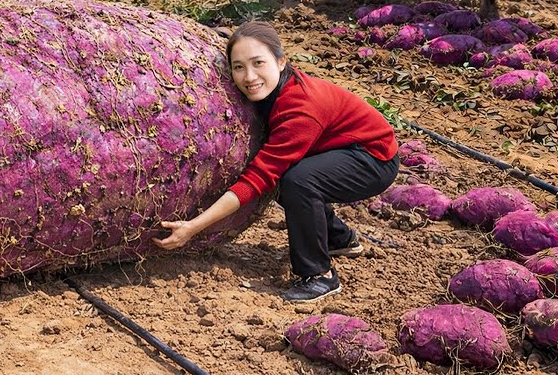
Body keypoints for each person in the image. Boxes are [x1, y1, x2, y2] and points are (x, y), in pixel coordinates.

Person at [154, 21, 399, 302]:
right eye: (238, 67)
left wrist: (194, 226)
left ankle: (319, 275)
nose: (249, 77)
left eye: (259, 63)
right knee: (292, 175)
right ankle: (338, 238)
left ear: (281, 62)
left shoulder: (300, 109)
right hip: (334, 147)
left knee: (298, 181)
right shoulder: (273, 90)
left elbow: (258, 178)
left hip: (372, 158)